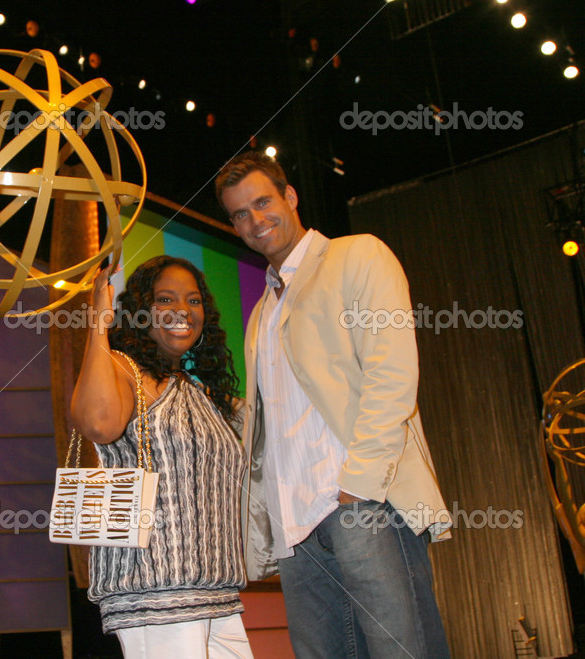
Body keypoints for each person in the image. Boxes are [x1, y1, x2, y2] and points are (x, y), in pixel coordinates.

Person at [215, 151, 453, 658]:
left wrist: (356, 487)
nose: (255, 220)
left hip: (361, 503)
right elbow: (275, 420)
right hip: (295, 529)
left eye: (262, 202)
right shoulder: (261, 311)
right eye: (240, 213)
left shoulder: (357, 255)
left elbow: (392, 375)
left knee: (402, 652)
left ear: (290, 196)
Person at [71, 255, 253, 659]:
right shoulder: (124, 369)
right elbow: (98, 424)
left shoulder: (196, 390)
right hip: (155, 594)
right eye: (165, 299)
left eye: (192, 300)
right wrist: (98, 324)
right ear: (139, 312)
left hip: (216, 592)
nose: (182, 311)